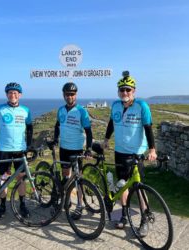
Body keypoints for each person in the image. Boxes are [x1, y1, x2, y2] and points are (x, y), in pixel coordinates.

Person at [104, 71, 157, 237]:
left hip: (136, 154)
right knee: (122, 185)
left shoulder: (142, 106)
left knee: (138, 187)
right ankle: (124, 215)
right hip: (119, 151)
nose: (124, 93)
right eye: (122, 90)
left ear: (134, 90)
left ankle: (145, 219)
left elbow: (148, 128)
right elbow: (112, 122)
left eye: (128, 90)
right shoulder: (115, 105)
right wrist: (106, 139)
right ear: (118, 91)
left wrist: (152, 149)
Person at [0, 82, 33, 220]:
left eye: (15, 93)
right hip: (4, 150)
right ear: (7, 95)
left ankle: (22, 204)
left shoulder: (26, 110)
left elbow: (30, 128)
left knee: (21, 178)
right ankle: (2, 206)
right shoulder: (0, 109)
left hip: (20, 150)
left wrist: (29, 145)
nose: (13, 95)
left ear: (20, 95)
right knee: (4, 179)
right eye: (10, 93)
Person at [53, 82, 93, 220]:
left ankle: (80, 205)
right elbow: (57, 125)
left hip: (76, 149)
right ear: (63, 95)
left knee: (78, 178)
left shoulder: (81, 111)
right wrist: (55, 139)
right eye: (67, 94)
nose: (69, 96)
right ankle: (67, 199)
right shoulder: (60, 110)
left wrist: (88, 149)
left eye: (72, 94)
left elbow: (89, 131)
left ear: (76, 95)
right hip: (64, 148)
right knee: (66, 175)